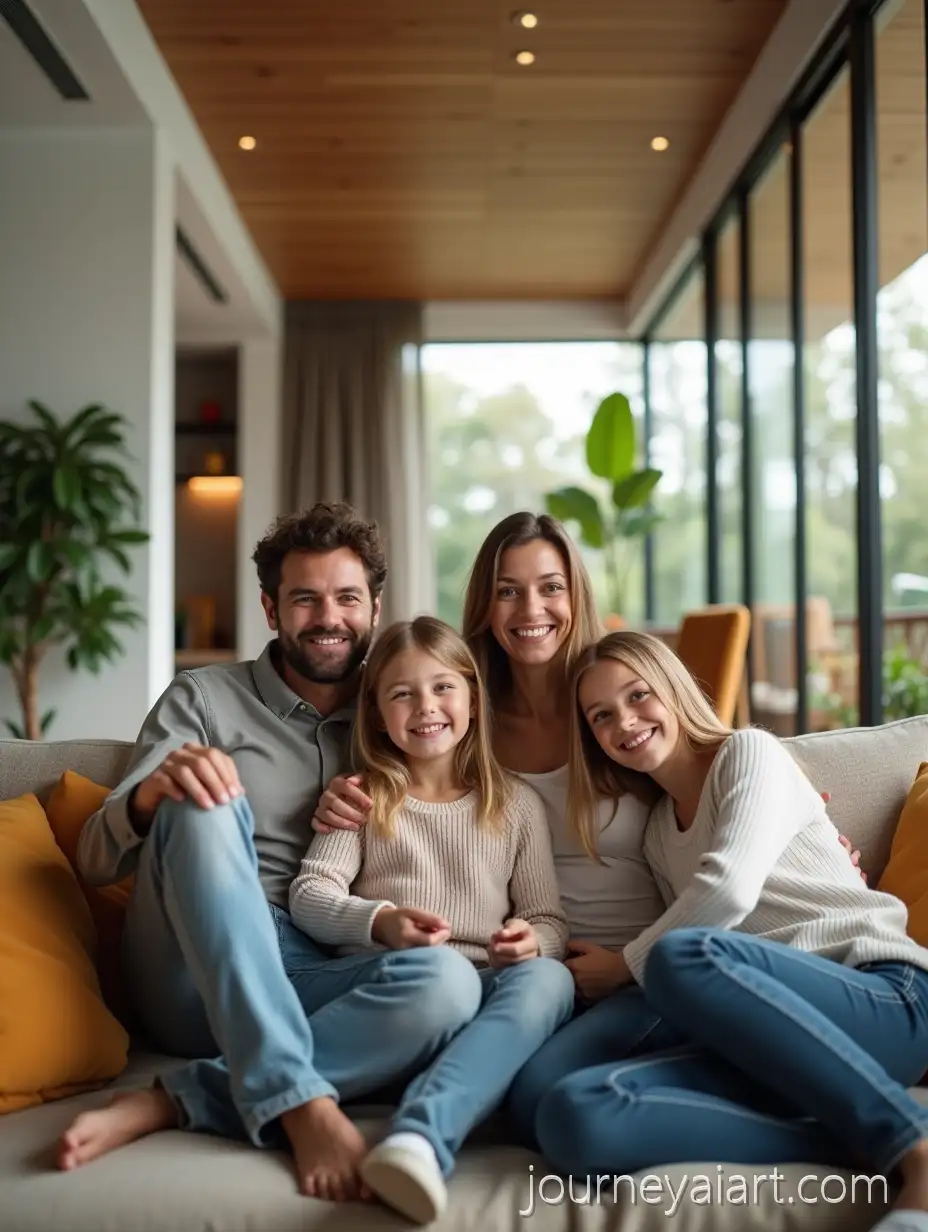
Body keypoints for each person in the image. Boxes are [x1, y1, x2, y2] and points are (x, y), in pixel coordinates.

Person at [313, 511, 865, 1143]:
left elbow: (719, 769)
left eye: (551, 586)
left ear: (576, 594)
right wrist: (346, 793)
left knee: (546, 1102)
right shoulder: (462, 715)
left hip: (650, 973)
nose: (531, 609)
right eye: (507, 590)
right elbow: (401, 766)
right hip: (533, 978)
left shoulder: (616, 700)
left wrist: (813, 828)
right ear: (485, 605)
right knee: (533, 1101)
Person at [57, 503, 481, 1203]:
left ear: (375, 607)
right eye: (305, 598)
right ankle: (298, 1099)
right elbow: (97, 860)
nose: (328, 617)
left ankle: (180, 1099)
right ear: (270, 608)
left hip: (315, 969)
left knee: (451, 984)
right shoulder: (202, 698)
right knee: (203, 790)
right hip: (192, 975)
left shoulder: (401, 710)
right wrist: (152, 794)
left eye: (347, 598)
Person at [531, 629, 928, 1232]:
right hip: (772, 1040)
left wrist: (624, 965)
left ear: (674, 689)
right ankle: (845, 1141)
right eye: (601, 716)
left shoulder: (749, 752)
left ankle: (910, 1143)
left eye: (639, 695)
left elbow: (728, 894)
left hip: (882, 996)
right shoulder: (658, 834)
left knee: (680, 957)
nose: (625, 722)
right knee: (568, 1111)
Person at [290, 615, 574, 1225]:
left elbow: (548, 919)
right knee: (447, 977)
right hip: (402, 998)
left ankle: (418, 1139)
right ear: (376, 714)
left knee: (552, 980)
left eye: (443, 687)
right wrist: (381, 921)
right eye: (402, 693)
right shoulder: (365, 796)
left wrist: (531, 943)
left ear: (472, 697)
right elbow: (310, 894)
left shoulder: (516, 805)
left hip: (481, 1009)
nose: (426, 707)